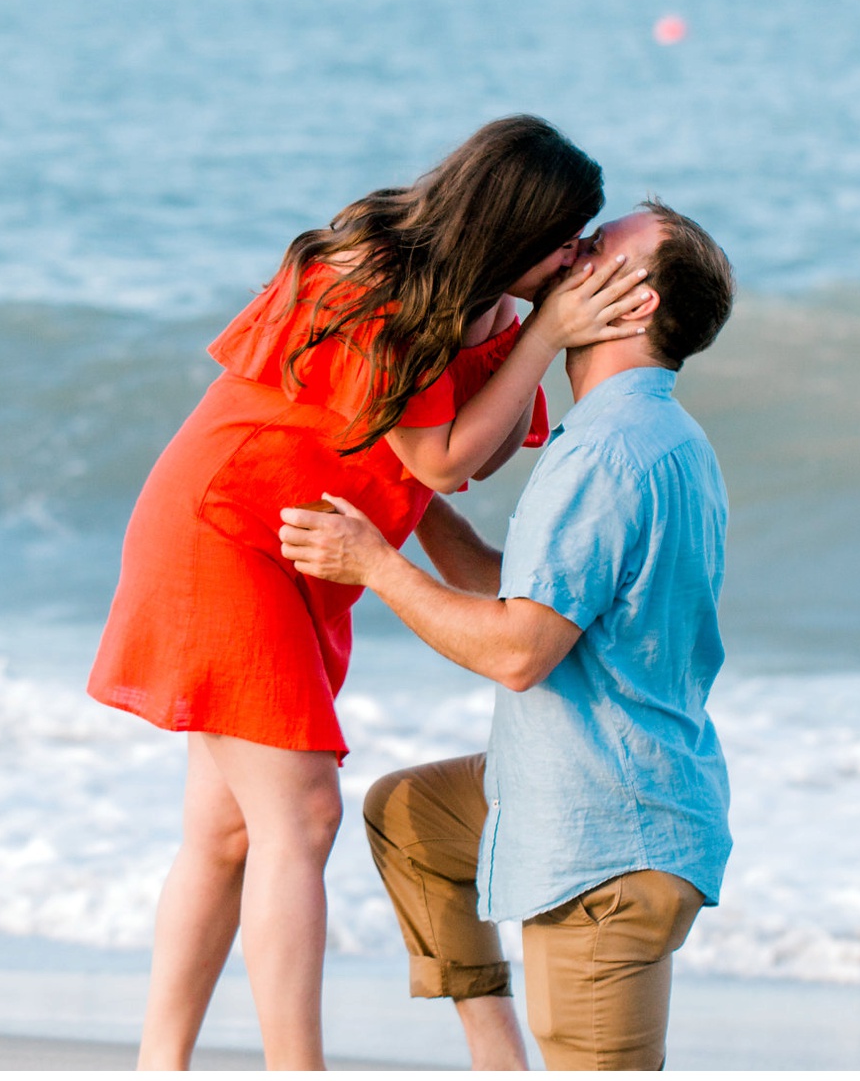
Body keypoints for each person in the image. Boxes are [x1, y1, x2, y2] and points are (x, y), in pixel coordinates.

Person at [88, 116, 657, 1070]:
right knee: (302, 815)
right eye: (565, 237)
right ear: (510, 224)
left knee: (228, 829)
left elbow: (428, 468)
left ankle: (159, 1064)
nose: (572, 259)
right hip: (226, 529)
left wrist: (541, 342)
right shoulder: (375, 279)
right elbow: (435, 460)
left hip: (304, 547)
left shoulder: (487, 311)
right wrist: (547, 334)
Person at [279, 200, 736, 1071]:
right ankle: (500, 1062)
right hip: (592, 795)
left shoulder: (609, 451)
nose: (572, 255)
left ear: (634, 305)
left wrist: (373, 566)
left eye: (600, 251)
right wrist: (411, 502)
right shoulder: (662, 436)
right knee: (409, 820)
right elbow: (533, 598)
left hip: (606, 845)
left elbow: (519, 651)